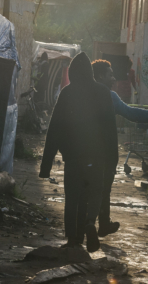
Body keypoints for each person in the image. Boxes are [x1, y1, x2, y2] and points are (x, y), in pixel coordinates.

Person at [39, 53, 118, 252]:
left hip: (73, 158)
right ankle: (91, 221)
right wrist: (112, 159)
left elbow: (54, 129)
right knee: (94, 192)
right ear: (91, 72)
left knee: (73, 197)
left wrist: (46, 166)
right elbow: (110, 129)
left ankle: (74, 238)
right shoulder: (103, 92)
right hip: (97, 156)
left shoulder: (67, 92)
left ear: (73, 72)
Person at [91, 59, 148, 237]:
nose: (114, 78)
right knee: (104, 188)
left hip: (85, 149)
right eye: (110, 74)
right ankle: (101, 224)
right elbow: (132, 114)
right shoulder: (110, 96)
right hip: (106, 150)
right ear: (101, 76)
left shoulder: (82, 94)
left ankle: (89, 225)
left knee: (87, 188)